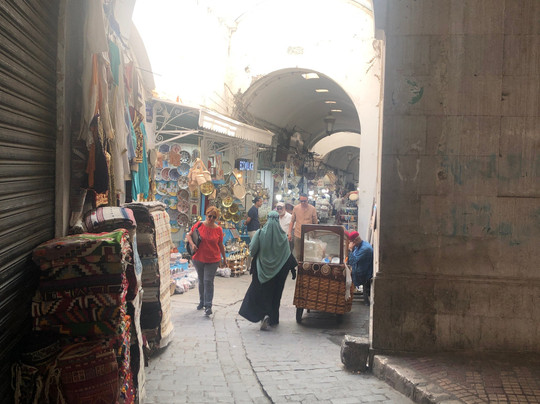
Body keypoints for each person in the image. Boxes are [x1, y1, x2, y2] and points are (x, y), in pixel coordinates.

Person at [239, 211, 297, 330]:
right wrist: (292, 269)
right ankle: (273, 318)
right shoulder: (283, 236)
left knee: (261, 293)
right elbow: (287, 255)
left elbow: (252, 250)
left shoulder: (260, 233)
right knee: (276, 295)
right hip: (279, 273)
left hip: (262, 270)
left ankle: (262, 315)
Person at [186, 206, 227, 316]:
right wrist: (192, 244)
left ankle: (208, 305)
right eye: (209, 216)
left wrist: (224, 258)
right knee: (201, 280)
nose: (211, 219)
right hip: (198, 258)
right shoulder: (199, 225)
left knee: (208, 281)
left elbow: (220, 245)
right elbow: (188, 235)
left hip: (213, 259)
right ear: (206, 214)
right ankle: (202, 301)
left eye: (214, 217)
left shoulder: (218, 229)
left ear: (216, 218)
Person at [288, 193, 318, 261]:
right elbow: (292, 221)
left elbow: (315, 223)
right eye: (301, 201)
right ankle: (300, 266)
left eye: (305, 201)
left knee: (309, 253)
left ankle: (307, 266)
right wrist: (289, 233)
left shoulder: (312, 209)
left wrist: (315, 234)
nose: (303, 203)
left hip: (309, 235)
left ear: (308, 200)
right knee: (298, 255)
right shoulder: (296, 208)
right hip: (298, 234)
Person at [347, 231, 373, 306]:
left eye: (351, 242)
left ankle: (346, 297)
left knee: (344, 277)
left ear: (355, 241)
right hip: (360, 269)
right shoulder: (359, 246)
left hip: (363, 275)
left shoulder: (365, 249)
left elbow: (353, 261)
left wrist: (350, 250)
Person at [245, 196, 263, 271]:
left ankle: (250, 265)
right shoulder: (252, 210)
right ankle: (249, 265)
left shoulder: (255, 209)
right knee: (253, 247)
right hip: (252, 230)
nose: (261, 203)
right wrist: (245, 223)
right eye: (260, 202)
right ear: (257, 202)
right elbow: (248, 219)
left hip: (255, 230)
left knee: (253, 247)